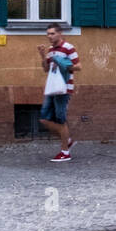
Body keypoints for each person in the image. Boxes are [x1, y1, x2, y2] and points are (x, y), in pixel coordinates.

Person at [37, 23, 81, 163]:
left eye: (52, 33)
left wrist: (64, 65)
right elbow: (46, 69)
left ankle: (65, 152)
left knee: (60, 120)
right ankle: (67, 140)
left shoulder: (68, 47)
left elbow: (78, 67)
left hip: (64, 88)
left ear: (60, 33)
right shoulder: (51, 49)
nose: (49, 36)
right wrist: (43, 56)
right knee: (44, 119)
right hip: (52, 88)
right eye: (48, 34)